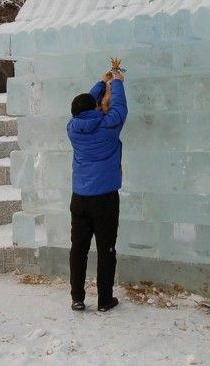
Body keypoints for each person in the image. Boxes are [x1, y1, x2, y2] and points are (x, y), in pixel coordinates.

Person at [66, 69, 128, 312]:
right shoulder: (108, 127)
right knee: (106, 250)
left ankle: (77, 298)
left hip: (79, 198)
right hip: (105, 199)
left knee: (78, 249)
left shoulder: (72, 127)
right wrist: (117, 83)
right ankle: (104, 300)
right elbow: (120, 108)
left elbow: (86, 105)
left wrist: (101, 83)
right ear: (92, 108)